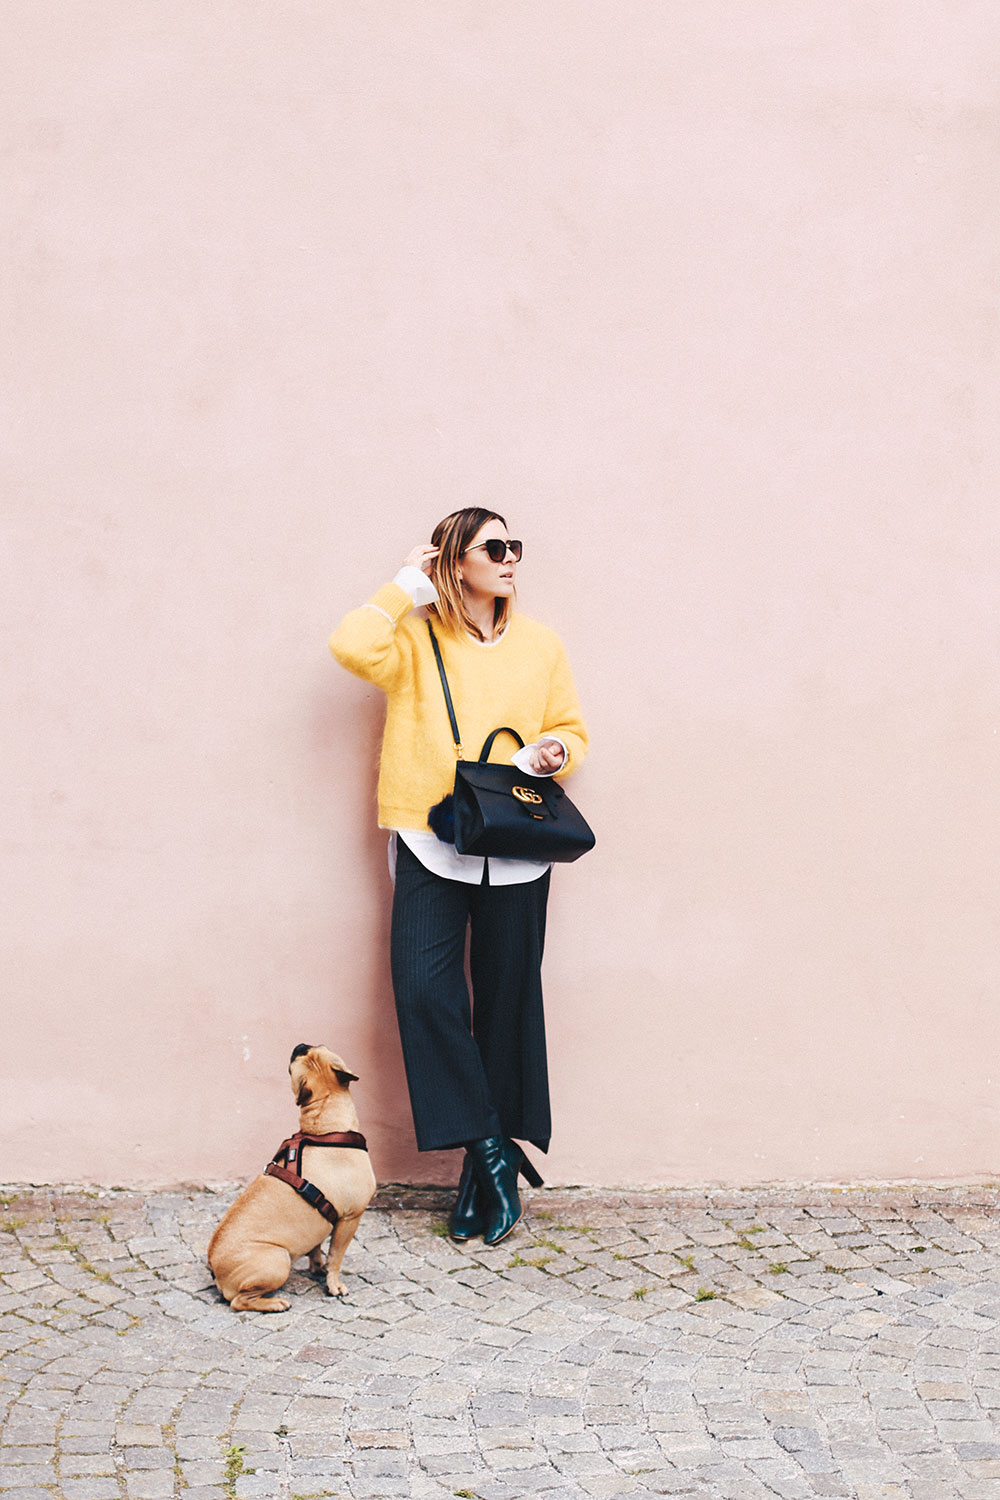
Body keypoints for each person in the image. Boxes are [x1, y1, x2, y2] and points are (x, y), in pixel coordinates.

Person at [329, 507, 588, 1245]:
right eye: (494, 547)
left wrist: (551, 755)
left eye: (515, 547)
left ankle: (489, 1169)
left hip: (516, 841)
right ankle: (487, 1149)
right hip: (427, 834)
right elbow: (350, 645)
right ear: (456, 560)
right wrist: (406, 584)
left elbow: (572, 730)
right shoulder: (412, 635)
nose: (510, 559)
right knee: (423, 990)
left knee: (508, 1003)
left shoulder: (541, 646)